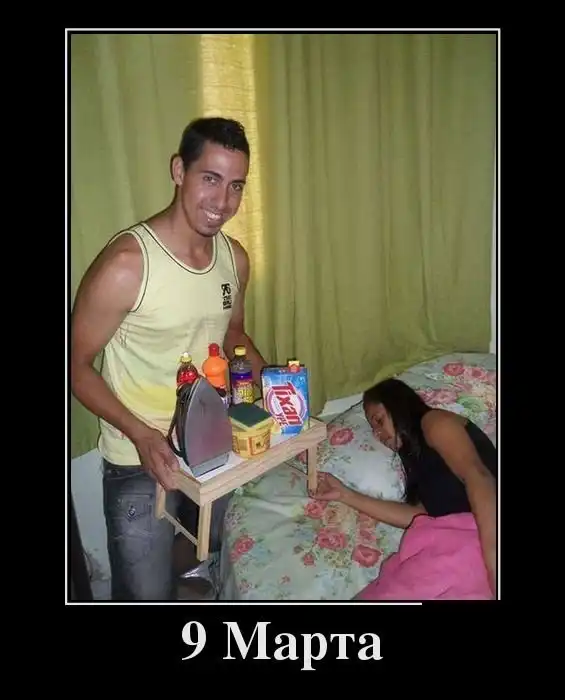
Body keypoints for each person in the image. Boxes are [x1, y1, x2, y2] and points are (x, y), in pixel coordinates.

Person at [70, 117, 268, 600]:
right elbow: (76, 366)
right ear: (179, 170)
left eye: (236, 185)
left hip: (212, 441)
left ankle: (185, 580)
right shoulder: (128, 264)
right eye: (210, 178)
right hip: (138, 456)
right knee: (143, 592)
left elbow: (233, 334)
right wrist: (141, 434)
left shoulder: (234, 258)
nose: (223, 202)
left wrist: (277, 388)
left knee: (209, 549)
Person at [311, 377, 497, 600]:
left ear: (398, 404)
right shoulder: (419, 462)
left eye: (379, 420)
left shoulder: (435, 422)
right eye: (373, 428)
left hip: (476, 539)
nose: (378, 434)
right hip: (448, 544)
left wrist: (494, 560)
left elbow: (479, 477)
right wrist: (344, 495)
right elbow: (419, 516)